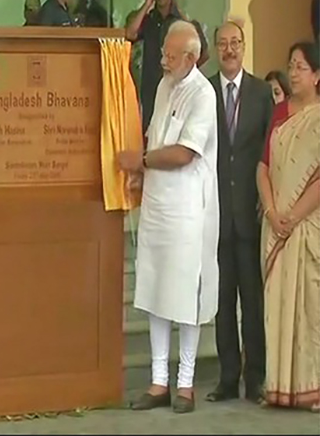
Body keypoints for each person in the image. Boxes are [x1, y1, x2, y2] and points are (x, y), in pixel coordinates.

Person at [118, 20, 219, 414]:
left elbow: (184, 153)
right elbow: (156, 139)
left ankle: (185, 384)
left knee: (183, 296)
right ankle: (158, 382)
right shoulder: (163, 86)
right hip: (158, 206)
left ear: (191, 58)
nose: (162, 60)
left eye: (170, 56)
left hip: (187, 211)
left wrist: (140, 161)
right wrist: (140, 175)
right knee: (157, 293)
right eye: (163, 53)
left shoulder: (203, 94)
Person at [206, 21, 274, 405]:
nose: (230, 49)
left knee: (253, 302)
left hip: (249, 214)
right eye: (223, 44)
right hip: (216, 216)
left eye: (236, 42)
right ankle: (227, 379)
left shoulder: (262, 92)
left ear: (244, 47)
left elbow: (268, 154)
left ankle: (256, 378)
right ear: (216, 49)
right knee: (222, 304)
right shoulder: (205, 91)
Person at [257, 41, 320, 412]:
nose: (293, 73)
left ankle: (313, 388)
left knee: (311, 306)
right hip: (276, 222)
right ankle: (280, 387)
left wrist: (293, 216)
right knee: (277, 306)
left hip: (306, 226)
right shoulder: (280, 112)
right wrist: (270, 211)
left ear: (316, 75)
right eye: (290, 65)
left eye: (300, 67)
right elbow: (263, 166)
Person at [125, 0, 209, 135]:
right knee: (151, 137)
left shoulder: (182, 21)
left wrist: (185, 72)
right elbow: (130, 33)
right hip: (152, 91)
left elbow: (203, 54)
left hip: (177, 90)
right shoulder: (148, 20)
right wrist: (147, 4)